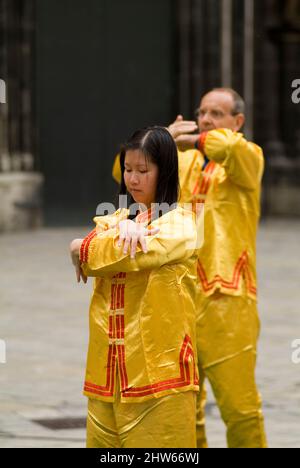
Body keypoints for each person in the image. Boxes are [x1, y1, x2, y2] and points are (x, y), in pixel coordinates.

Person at [70, 126, 201, 448]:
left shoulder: (180, 224)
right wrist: (121, 227)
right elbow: (96, 254)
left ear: (165, 171)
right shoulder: (115, 219)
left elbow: (127, 256)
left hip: (159, 374)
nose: (133, 179)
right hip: (107, 372)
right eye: (128, 170)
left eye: (143, 170)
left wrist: (79, 246)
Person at [167, 88, 268, 448]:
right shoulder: (184, 162)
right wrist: (164, 140)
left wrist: (195, 138)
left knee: (240, 408)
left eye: (216, 113)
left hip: (229, 299)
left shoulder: (247, 157)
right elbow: (127, 168)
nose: (206, 118)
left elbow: (231, 148)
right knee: (183, 410)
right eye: (202, 112)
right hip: (180, 297)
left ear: (237, 121)